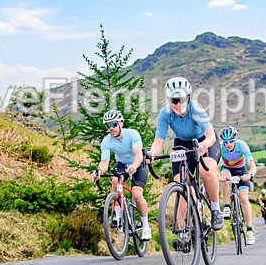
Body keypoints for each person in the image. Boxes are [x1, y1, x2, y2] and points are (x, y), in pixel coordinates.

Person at [149, 76, 224, 231]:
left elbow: (210, 135)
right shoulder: (165, 114)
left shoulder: (195, 109)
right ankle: (184, 230)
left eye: (182, 100)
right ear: (169, 100)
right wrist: (152, 153)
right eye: (174, 100)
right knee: (179, 182)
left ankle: (216, 210)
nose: (178, 104)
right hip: (182, 143)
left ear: (188, 98)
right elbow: (159, 141)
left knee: (207, 171)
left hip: (203, 140)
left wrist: (204, 144)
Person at [92, 110, 152, 241]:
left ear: (120, 124)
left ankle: (146, 226)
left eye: (113, 124)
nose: (111, 128)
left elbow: (138, 154)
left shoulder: (132, 134)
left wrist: (134, 167)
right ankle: (117, 216)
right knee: (115, 180)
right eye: (108, 126)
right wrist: (99, 171)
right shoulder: (106, 141)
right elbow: (104, 162)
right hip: (122, 164)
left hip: (137, 164)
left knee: (136, 195)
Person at [217, 126, 257, 245]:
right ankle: (227, 206)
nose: (228, 144)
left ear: (235, 139)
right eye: (225, 142)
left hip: (241, 171)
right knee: (224, 178)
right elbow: (214, 164)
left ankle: (249, 231)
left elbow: (252, 165)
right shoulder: (220, 147)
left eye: (230, 141)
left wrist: (249, 175)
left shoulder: (242, 145)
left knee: (244, 198)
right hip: (227, 169)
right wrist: (218, 175)